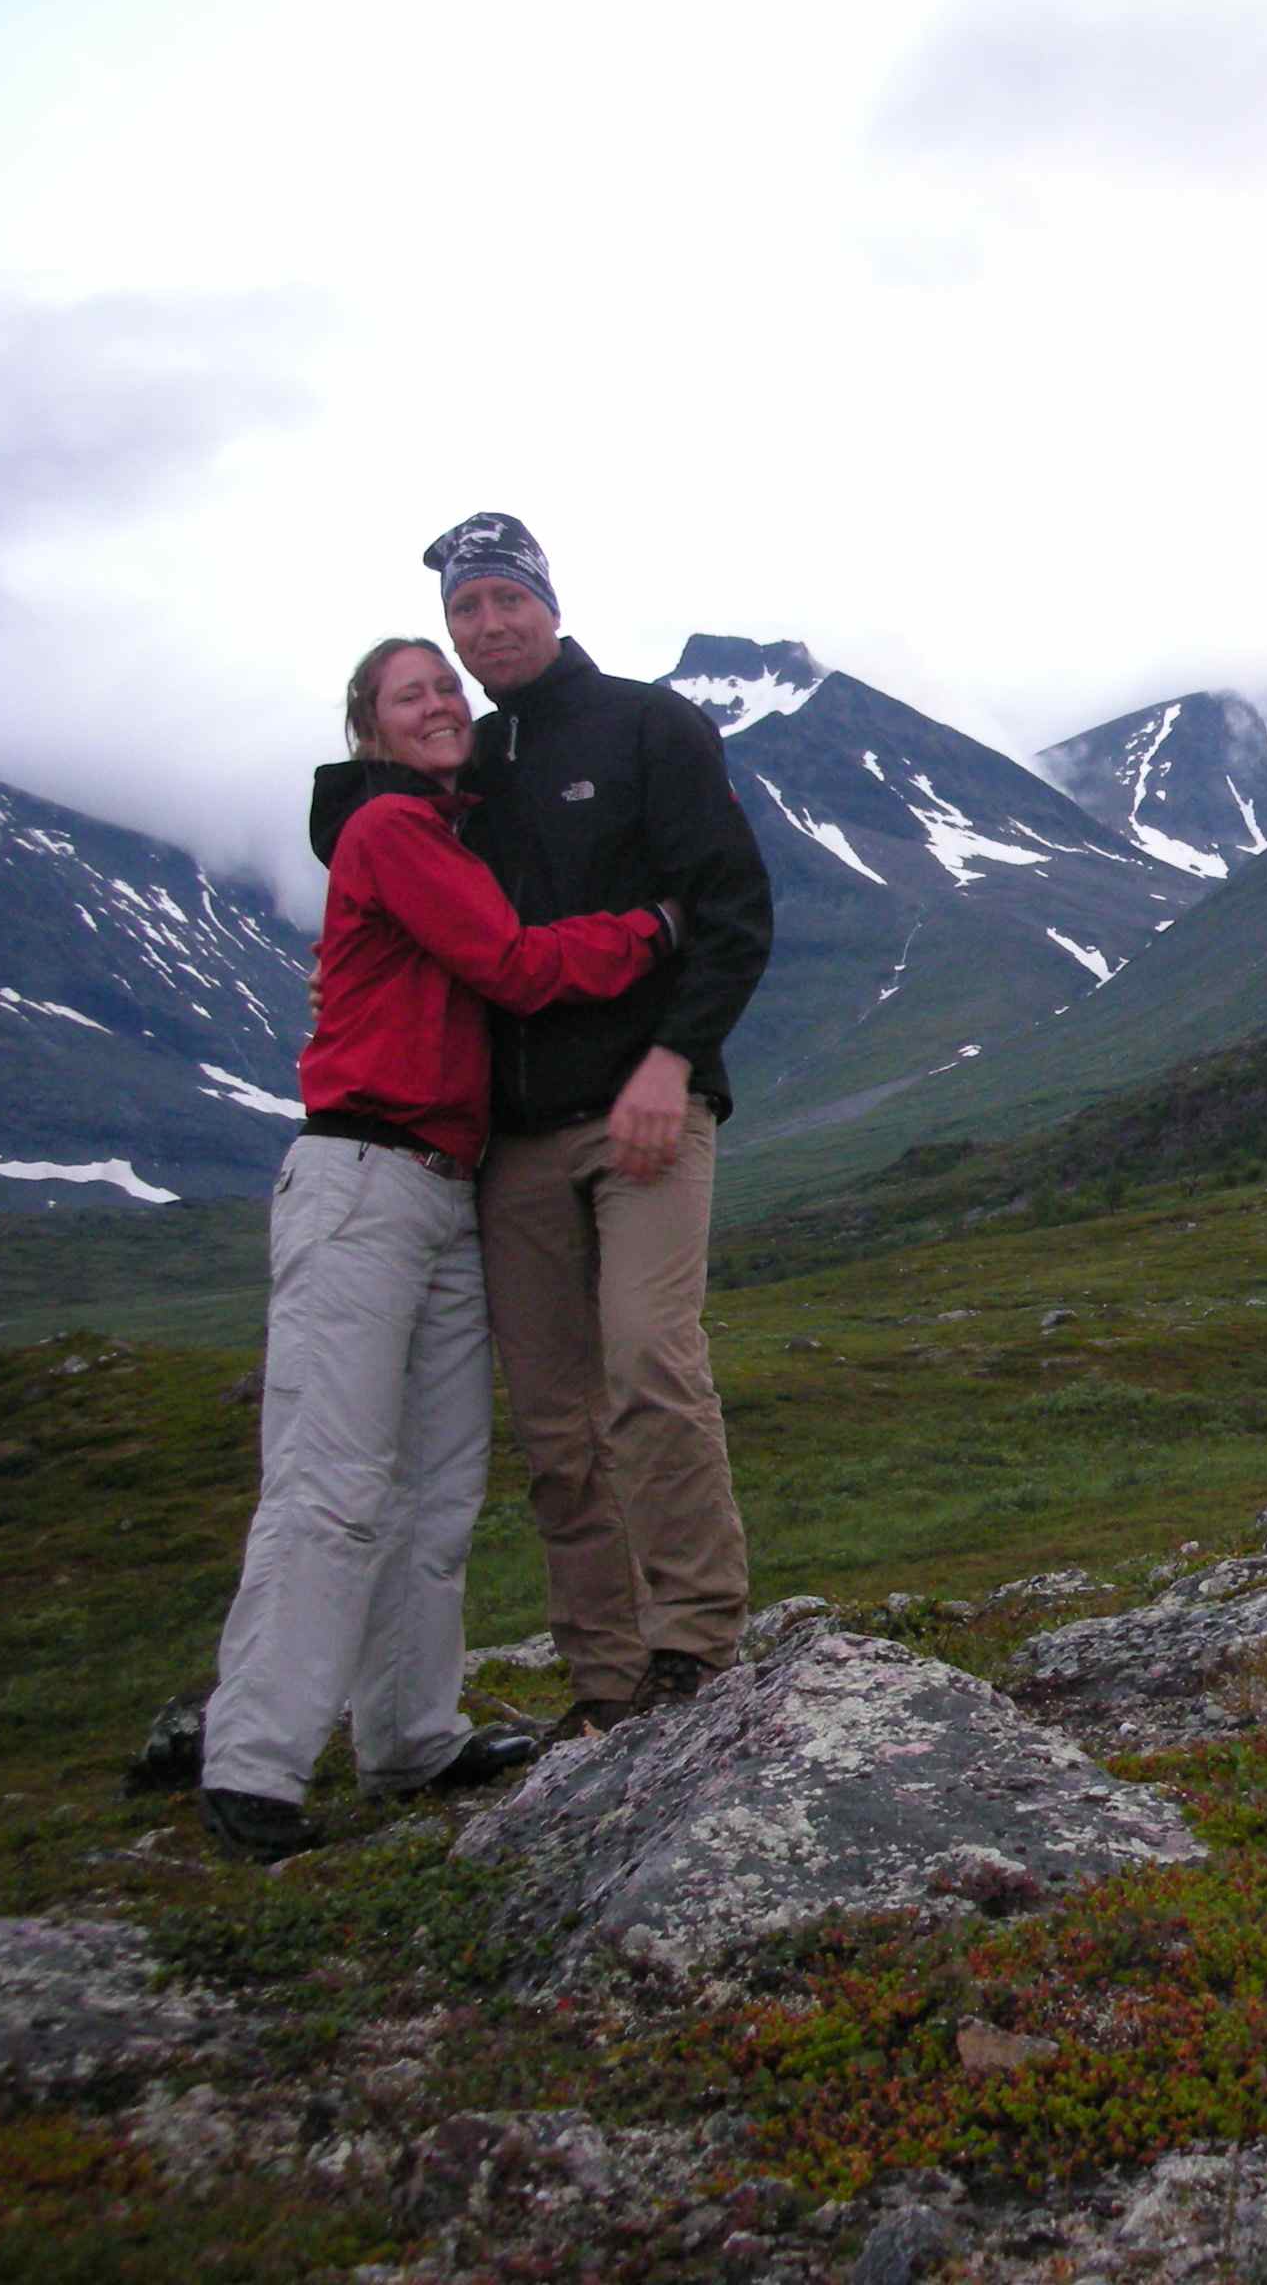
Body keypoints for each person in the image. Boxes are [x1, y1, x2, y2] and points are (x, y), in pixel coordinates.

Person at [200, 639, 684, 1862]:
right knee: (331, 1482)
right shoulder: (392, 833)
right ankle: (253, 1770)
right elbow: (514, 971)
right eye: (412, 693)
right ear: (368, 727)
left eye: (447, 688)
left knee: (433, 1485)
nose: (441, 703)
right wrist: (652, 928)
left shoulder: (444, 832)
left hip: (440, 1183)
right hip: (362, 1177)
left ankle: (409, 1738)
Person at [423, 512, 774, 1740]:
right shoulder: (464, 768)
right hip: (513, 1138)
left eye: (505, 600)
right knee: (557, 1423)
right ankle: (606, 1678)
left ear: (549, 604)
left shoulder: (646, 725)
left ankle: (695, 1645)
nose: (487, 627)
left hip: (648, 1109)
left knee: (649, 1362)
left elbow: (733, 908)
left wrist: (675, 1059)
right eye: (466, 610)